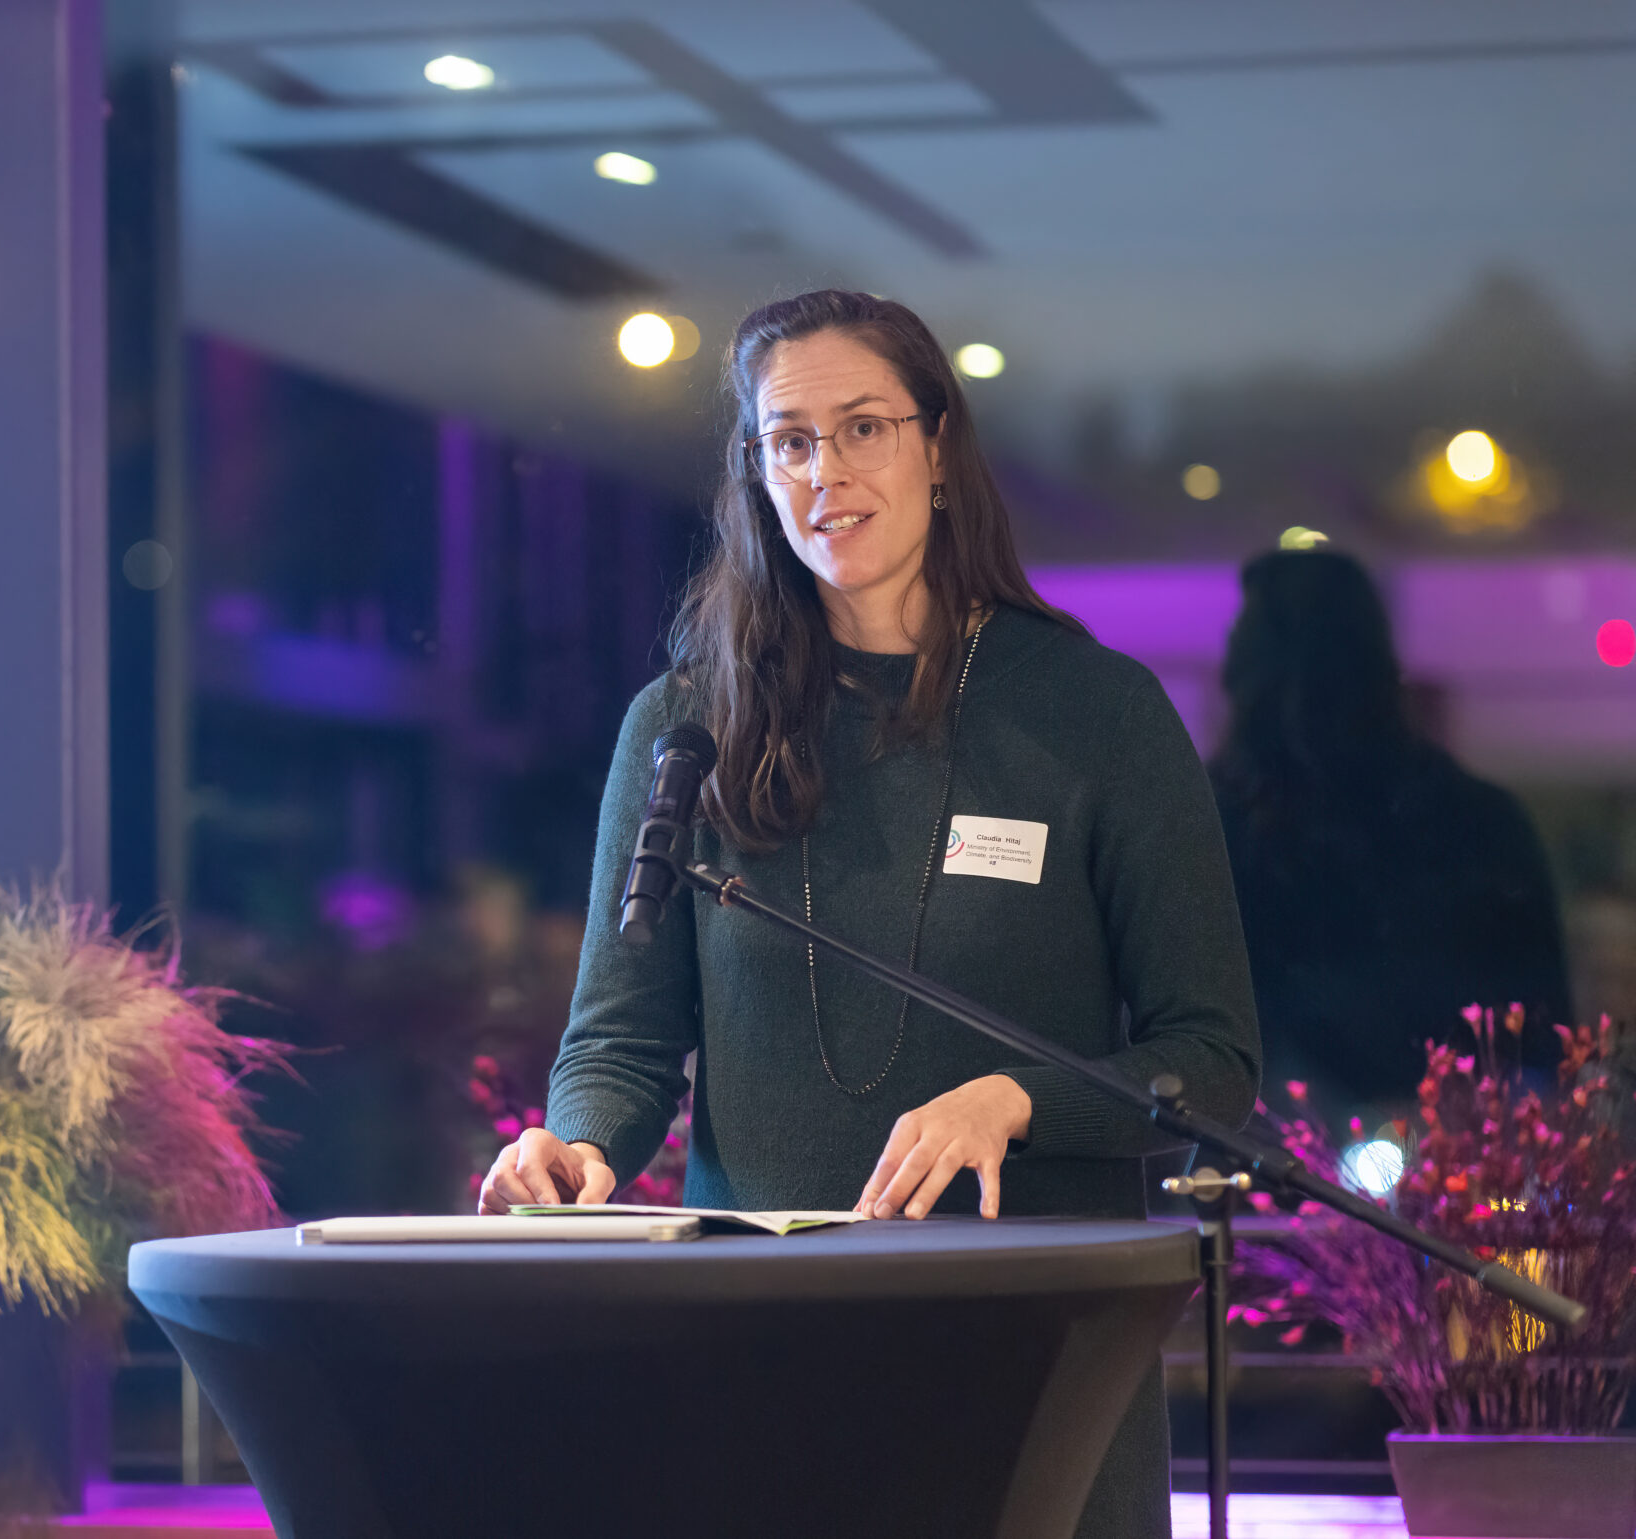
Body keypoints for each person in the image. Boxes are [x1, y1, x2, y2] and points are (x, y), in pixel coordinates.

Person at [477, 289, 1260, 1539]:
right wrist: (578, 1149)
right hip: (767, 1356)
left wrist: (1016, 1100)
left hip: (1036, 1361)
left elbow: (1211, 1064)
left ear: (937, 447)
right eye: (788, 440)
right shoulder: (683, 727)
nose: (823, 473)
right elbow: (621, 1038)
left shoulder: (1096, 714)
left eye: (861, 428)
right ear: (755, 472)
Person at [1211, 548, 1567, 1108]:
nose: (1227, 669)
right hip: (1442, 1136)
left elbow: (1538, 1024)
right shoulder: (1480, 818)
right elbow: (1541, 1028)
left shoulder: (1217, 825)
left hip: (1281, 1135)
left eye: (1240, 647)